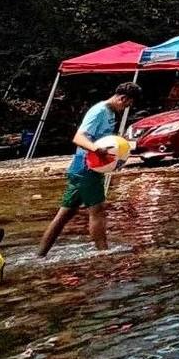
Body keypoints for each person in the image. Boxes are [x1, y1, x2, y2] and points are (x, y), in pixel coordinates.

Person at [38, 82, 143, 258]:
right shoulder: (99, 111)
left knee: (64, 215)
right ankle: (104, 254)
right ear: (123, 98)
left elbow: (103, 139)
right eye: (127, 104)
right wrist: (96, 149)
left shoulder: (110, 112)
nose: (126, 108)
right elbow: (78, 137)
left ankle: (40, 255)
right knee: (98, 210)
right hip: (86, 167)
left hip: (87, 167)